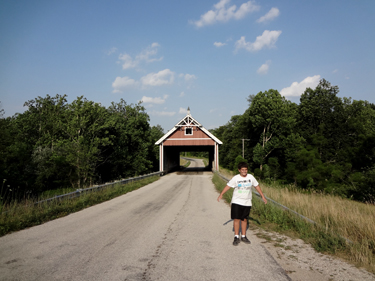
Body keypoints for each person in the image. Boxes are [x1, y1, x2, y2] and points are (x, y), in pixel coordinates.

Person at [217, 162, 267, 246]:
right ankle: (236, 236)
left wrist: (262, 196)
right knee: (236, 219)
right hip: (237, 201)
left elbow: (257, 186)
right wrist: (221, 194)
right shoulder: (235, 178)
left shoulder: (251, 177)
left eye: (246, 169)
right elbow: (228, 186)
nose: (244, 171)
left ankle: (243, 236)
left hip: (247, 202)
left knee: (244, 219)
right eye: (242, 170)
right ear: (239, 170)